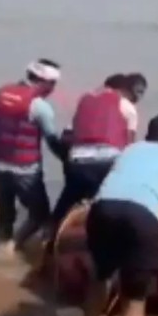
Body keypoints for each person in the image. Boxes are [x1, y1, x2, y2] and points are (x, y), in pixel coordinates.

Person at [84, 114, 158, 316]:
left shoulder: (129, 149)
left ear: (147, 134)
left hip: (104, 208)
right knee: (134, 297)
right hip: (144, 216)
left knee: (100, 277)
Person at [47, 73, 143, 247]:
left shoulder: (85, 101)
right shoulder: (127, 106)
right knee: (109, 204)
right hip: (107, 163)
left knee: (66, 203)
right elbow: (129, 147)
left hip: (77, 162)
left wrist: (68, 164)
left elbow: (67, 136)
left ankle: (48, 241)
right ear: (123, 90)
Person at [0, 58, 61, 252]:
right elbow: (52, 140)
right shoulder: (40, 106)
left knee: (5, 212)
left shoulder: (2, 93)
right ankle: (12, 248)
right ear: (43, 82)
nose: (53, 89)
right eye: (52, 84)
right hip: (26, 169)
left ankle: (2, 240)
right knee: (40, 214)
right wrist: (67, 160)